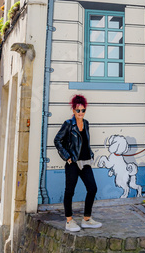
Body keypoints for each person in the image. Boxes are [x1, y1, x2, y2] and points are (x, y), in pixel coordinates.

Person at [54, 94, 101, 232]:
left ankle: (86, 219)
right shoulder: (68, 124)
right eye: (78, 110)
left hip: (85, 162)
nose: (81, 113)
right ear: (73, 110)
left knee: (92, 188)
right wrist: (67, 156)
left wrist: (90, 153)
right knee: (69, 191)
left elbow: (85, 141)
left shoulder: (86, 123)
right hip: (73, 163)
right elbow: (57, 140)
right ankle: (69, 221)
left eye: (83, 110)